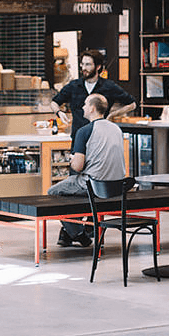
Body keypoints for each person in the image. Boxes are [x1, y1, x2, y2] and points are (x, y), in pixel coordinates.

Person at [47, 93, 127, 247]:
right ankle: (70, 231)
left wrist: (71, 160)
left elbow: (77, 167)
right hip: (116, 186)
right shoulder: (116, 129)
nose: (82, 107)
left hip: (93, 184)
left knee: (53, 193)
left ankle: (77, 233)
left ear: (92, 108)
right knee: (73, 192)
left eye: (85, 104)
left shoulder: (84, 131)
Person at [52, 49, 136, 139]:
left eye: (88, 64)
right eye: (82, 64)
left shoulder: (109, 86)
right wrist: (59, 112)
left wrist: (112, 114)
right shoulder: (74, 85)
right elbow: (54, 102)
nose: (84, 68)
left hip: (101, 138)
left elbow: (132, 104)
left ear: (98, 67)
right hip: (78, 138)